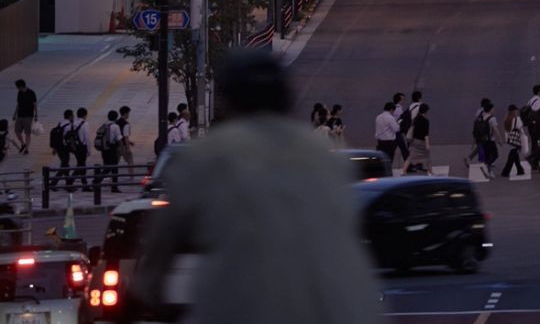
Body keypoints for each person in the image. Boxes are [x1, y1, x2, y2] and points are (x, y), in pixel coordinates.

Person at [131, 50, 384, 324]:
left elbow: (161, 244)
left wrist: (146, 290)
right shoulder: (326, 156)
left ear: (229, 100)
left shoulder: (206, 155)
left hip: (243, 309)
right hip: (350, 308)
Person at [96, 109, 123, 193]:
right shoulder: (115, 126)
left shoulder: (104, 125)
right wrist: (121, 148)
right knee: (113, 167)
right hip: (111, 149)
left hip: (104, 149)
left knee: (107, 166)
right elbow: (119, 139)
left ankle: (98, 181)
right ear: (116, 118)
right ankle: (112, 186)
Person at [49, 110, 74, 187]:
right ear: (70, 116)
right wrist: (73, 148)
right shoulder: (69, 125)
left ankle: (68, 184)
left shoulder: (60, 123)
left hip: (59, 147)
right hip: (64, 148)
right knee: (64, 165)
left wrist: (55, 148)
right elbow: (70, 138)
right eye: (72, 115)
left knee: (65, 165)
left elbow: (57, 137)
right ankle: (53, 183)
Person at [406, 103, 431, 174]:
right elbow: (426, 134)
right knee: (427, 156)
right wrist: (427, 144)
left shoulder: (415, 119)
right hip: (421, 142)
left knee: (410, 157)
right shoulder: (425, 121)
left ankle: (403, 171)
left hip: (414, 140)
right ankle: (431, 171)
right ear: (426, 111)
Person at [12, 80, 36, 155]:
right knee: (17, 131)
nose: (17, 89)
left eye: (17, 87)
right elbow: (18, 104)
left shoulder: (31, 93)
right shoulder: (19, 93)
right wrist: (14, 114)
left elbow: (35, 104)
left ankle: (27, 149)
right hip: (20, 115)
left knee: (27, 133)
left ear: (21, 86)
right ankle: (23, 144)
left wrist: (36, 115)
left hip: (28, 116)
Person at [501, 105, 526, 178]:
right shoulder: (517, 119)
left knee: (514, 153)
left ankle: (520, 169)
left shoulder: (506, 119)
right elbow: (520, 128)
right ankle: (506, 171)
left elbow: (506, 129)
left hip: (509, 138)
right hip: (516, 138)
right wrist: (523, 137)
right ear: (514, 111)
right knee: (513, 154)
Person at [373, 101, 400, 166]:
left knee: (381, 159)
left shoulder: (378, 117)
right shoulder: (390, 118)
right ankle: (388, 173)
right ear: (391, 109)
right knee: (389, 160)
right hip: (389, 142)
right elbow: (396, 129)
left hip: (380, 142)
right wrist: (398, 124)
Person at [68, 108, 90, 188]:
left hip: (75, 146)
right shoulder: (85, 124)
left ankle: (83, 184)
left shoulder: (73, 123)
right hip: (82, 147)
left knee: (80, 164)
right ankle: (71, 182)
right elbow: (87, 137)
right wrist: (88, 149)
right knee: (81, 165)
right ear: (85, 115)